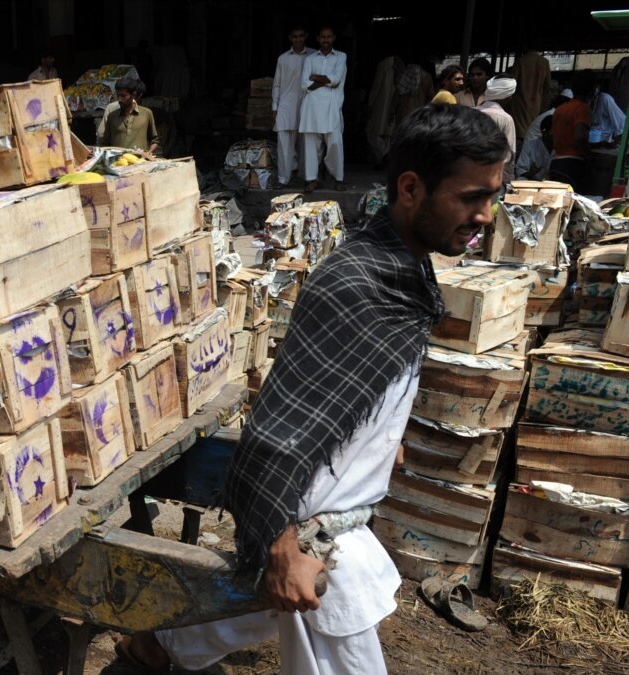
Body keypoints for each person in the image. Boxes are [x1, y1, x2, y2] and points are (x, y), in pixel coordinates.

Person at [115, 104, 508, 674]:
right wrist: (282, 540)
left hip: (337, 510)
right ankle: (156, 648)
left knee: (265, 612)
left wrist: (382, 434)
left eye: (492, 196)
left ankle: (155, 649)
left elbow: (358, 389)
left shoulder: (406, 270)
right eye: (471, 197)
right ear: (410, 188)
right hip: (312, 530)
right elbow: (283, 428)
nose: (486, 215)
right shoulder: (356, 282)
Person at [299, 26, 347, 191]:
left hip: (332, 107)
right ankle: (312, 179)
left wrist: (316, 77)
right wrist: (326, 81)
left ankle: (339, 179)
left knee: (335, 144)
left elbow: (336, 80)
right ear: (318, 39)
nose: (326, 40)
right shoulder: (310, 59)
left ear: (333, 38)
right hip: (311, 108)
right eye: (323, 37)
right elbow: (305, 84)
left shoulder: (341, 56)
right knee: (311, 146)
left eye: (329, 37)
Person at [272, 27, 316, 187]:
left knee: (308, 144)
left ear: (306, 37)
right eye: (295, 36)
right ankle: (283, 179)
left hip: (308, 106)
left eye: (301, 36)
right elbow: (277, 84)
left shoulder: (314, 56)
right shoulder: (283, 59)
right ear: (290, 38)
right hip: (286, 106)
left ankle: (307, 177)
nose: (298, 39)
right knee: (284, 145)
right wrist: (275, 107)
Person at [550, 74, 594, 191]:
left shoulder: (560, 109)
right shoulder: (583, 108)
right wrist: (589, 155)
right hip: (572, 163)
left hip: (556, 162)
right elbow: (580, 136)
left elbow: (551, 134)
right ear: (592, 91)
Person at [97, 77, 159, 156]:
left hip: (141, 163)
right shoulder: (112, 116)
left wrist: (149, 153)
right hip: (118, 164)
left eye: (123, 96)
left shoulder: (147, 113)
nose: (119, 99)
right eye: (118, 95)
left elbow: (154, 141)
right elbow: (104, 143)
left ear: (133, 95)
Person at [478, 76, 518, 182]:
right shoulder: (505, 119)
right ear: (508, 97)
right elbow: (509, 156)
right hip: (494, 179)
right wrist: (508, 181)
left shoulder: (471, 113)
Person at [509, 48, 552, 142]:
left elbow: (511, 84)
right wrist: (544, 107)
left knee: (519, 134)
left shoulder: (520, 61)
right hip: (536, 104)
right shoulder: (544, 62)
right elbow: (548, 87)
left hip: (519, 104)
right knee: (533, 131)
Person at [366, 54, 400, 166]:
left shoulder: (383, 65)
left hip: (380, 105)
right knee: (387, 135)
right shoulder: (400, 66)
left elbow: (377, 85)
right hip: (393, 105)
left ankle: (384, 156)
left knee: (372, 132)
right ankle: (383, 158)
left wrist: (370, 103)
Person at [516, 115, 554, 180]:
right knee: (521, 179)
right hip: (533, 182)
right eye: (554, 130)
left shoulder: (562, 147)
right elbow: (520, 169)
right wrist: (530, 173)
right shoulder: (531, 145)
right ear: (544, 132)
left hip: (554, 185)